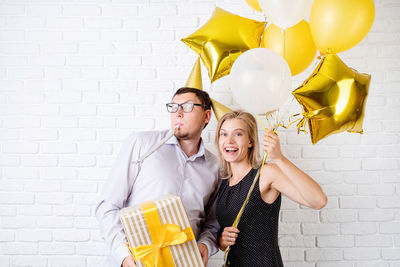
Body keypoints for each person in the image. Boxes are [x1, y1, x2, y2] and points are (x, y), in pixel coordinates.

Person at [95, 87, 220, 267]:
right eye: (173, 106)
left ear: (206, 116)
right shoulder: (141, 144)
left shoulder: (215, 167)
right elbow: (107, 205)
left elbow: (212, 223)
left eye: (187, 107)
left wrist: (205, 244)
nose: (178, 113)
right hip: (135, 261)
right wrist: (123, 255)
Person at [215, 110, 327, 266]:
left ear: (250, 141)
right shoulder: (223, 183)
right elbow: (224, 242)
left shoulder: (265, 174)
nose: (229, 141)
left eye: (238, 134)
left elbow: (318, 200)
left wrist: (279, 158)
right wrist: (222, 240)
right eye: (224, 134)